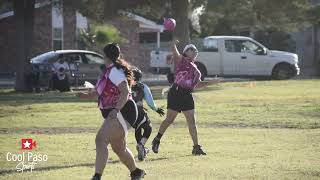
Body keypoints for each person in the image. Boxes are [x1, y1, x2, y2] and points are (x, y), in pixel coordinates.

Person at [77, 43, 145, 180]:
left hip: (123, 111)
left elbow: (125, 91)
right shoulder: (109, 71)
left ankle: (97, 176)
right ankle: (136, 172)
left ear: (105, 56)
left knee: (100, 140)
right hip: (121, 111)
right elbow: (101, 93)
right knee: (119, 148)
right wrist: (85, 95)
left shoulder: (114, 71)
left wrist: (116, 109)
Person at [151, 40, 220, 156]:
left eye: (195, 50)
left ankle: (196, 147)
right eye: (191, 49)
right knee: (169, 120)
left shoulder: (196, 70)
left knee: (192, 121)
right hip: (176, 93)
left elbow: (198, 85)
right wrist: (173, 45)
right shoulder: (182, 61)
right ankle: (157, 139)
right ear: (185, 53)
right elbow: (176, 54)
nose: (194, 51)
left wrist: (213, 82)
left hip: (187, 95)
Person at [131, 68, 165, 161]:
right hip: (139, 111)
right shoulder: (143, 86)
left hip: (128, 113)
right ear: (140, 77)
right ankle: (141, 145)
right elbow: (150, 102)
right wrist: (156, 109)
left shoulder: (125, 85)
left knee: (137, 128)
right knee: (148, 127)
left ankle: (141, 148)